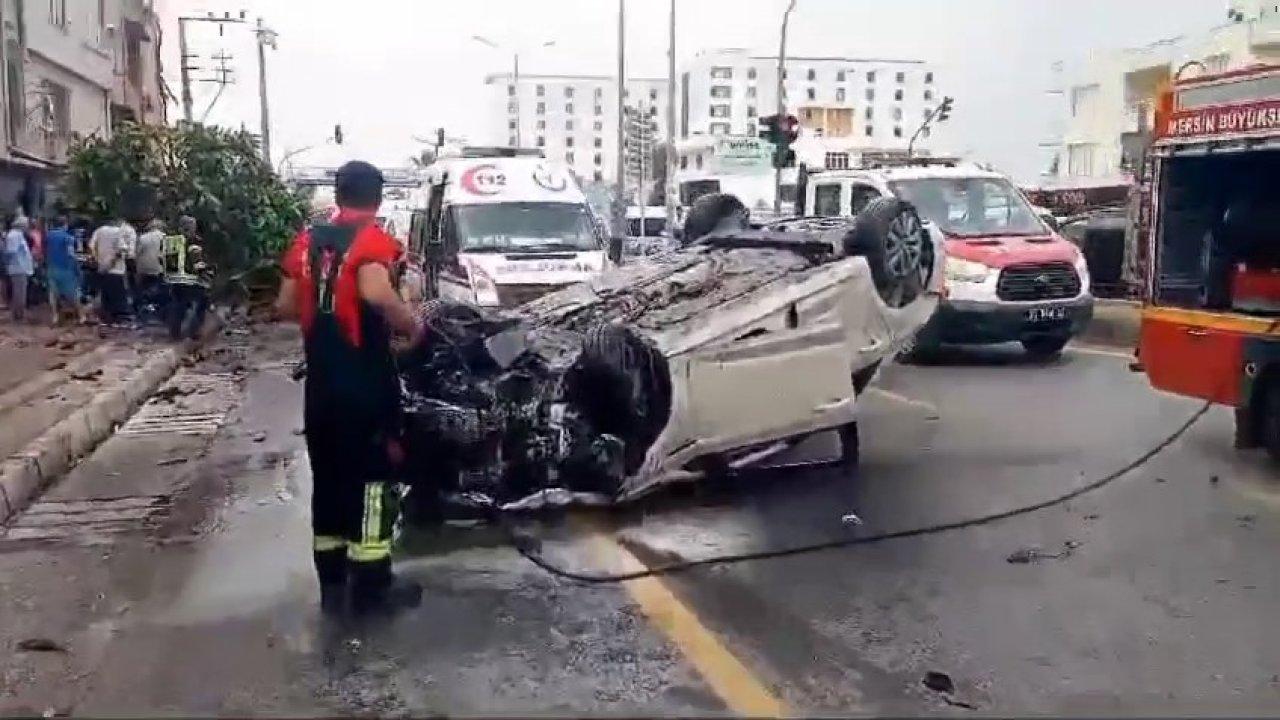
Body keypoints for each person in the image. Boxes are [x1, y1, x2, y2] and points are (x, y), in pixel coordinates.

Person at [276, 160, 423, 617]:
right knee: (374, 481)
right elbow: (376, 292)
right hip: (366, 384)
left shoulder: (307, 242)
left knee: (330, 478)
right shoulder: (373, 241)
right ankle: (373, 587)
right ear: (377, 198)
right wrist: (411, 324)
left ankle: (333, 580)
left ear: (338, 195)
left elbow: (284, 304)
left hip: (321, 386)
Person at [44, 216, 83, 325]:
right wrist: (77, 266)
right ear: (65, 224)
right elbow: (70, 254)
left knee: (53, 293)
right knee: (73, 293)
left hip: (52, 267)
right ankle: (81, 316)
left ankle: (55, 316)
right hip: (65, 268)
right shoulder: (68, 238)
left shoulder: (48, 236)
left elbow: (45, 251)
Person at [90, 220, 128, 323]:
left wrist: (96, 260)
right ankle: (117, 319)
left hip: (102, 268)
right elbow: (121, 249)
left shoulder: (98, 231)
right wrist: (111, 262)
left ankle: (106, 318)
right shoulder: (118, 232)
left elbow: (91, 247)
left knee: (105, 295)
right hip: (116, 269)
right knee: (117, 296)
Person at [4, 217, 34, 321]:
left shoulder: (18, 235)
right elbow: (11, 252)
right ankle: (18, 315)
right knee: (19, 293)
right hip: (18, 267)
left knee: (20, 292)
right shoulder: (14, 235)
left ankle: (18, 314)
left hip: (21, 267)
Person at [134, 219, 166, 316]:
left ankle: (142, 308)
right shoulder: (165, 238)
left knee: (142, 289)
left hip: (143, 268)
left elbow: (136, 253)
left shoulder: (143, 238)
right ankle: (155, 310)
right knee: (158, 290)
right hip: (159, 268)